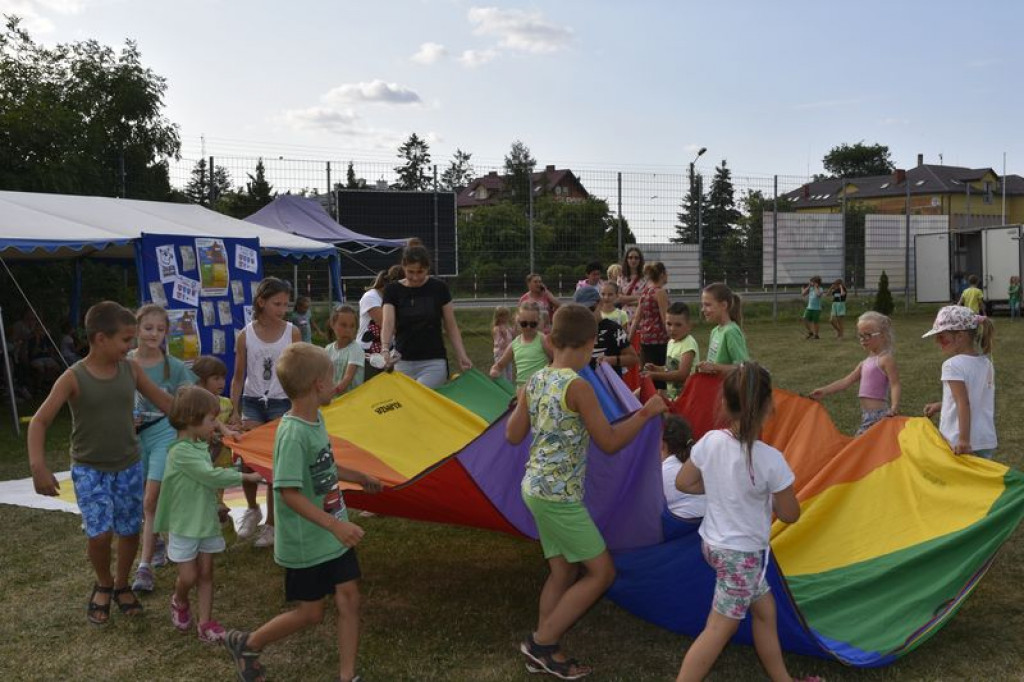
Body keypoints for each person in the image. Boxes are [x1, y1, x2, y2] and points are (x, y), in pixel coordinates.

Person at [507, 304, 667, 679]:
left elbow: (512, 435)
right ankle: (541, 643)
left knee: (562, 571)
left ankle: (544, 646)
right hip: (557, 497)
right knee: (602, 572)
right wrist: (645, 413)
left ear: (551, 339)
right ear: (591, 343)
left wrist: (523, 403)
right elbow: (609, 442)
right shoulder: (578, 386)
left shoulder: (537, 379)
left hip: (535, 488)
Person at [224, 343, 382, 682]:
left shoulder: (316, 419)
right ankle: (249, 643)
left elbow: (323, 465)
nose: (335, 380)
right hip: (308, 540)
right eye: (331, 375)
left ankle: (347, 676)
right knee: (311, 613)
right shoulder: (292, 434)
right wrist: (334, 526)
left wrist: (359, 476)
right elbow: (288, 493)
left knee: (350, 597)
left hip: (333, 531)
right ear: (318, 385)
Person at [28, 301, 172, 624]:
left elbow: (164, 401)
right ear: (100, 338)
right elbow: (39, 421)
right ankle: (104, 582)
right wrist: (38, 466)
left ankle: (122, 584)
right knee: (100, 535)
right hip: (89, 468)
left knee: (129, 529)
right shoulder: (73, 377)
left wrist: (200, 419)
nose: (132, 346)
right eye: (125, 340)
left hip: (129, 465)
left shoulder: (130, 369)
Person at [674, 362, 811, 682]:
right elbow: (791, 514)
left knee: (765, 610)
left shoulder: (709, 441)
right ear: (768, 406)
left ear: (725, 402)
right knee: (718, 629)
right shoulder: (771, 460)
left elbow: (684, 482)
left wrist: (724, 483)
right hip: (741, 556)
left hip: (714, 546)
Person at [155, 385, 262, 642]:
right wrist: (247, 475)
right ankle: (179, 600)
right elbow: (210, 476)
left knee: (206, 573)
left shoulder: (199, 444)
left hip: (205, 519)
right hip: (184, 523)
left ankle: (205, 622)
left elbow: (210, 464)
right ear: (192, 420)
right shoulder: (180, 452)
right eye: (211, 420)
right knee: (189, 576)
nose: (216, 424)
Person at [130, 304, 198, 593]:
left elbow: (191, 401)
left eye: (159, 329)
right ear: (136, 329)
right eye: (148, 328)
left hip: (163, 433)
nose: (153, 334)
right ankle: (157, 540)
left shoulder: (175, 366)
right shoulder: (125, 361)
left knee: (150, 499)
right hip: (132, 437)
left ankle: (143, 568)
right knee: (143, 500)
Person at [231, 277, 301, 548]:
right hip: (252, 400)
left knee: (274, 464)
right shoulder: (245, 334)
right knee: (247, 460)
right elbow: (238, 376)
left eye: (285, 304)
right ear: (261, 302)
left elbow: (298, 369)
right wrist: (235, 409)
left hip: (281, 402)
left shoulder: (291, 332)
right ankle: (252, 509)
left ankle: (272, 523)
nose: (283, 309)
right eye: (277, 304)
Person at [379, 245, 472, 388]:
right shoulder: (392, 290)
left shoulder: (439, 288)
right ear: (403, 267)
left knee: (421, 395)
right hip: (402, 361)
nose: (415, 277)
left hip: (433, 361)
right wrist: (385, 348)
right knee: (407, 405)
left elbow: (451, 325)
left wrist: (461, 355)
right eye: (410, 272)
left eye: (420, 272)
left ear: (428, 268)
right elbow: (388, 322)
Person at [922, 306, 997, 458]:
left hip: (960, 441)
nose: (937, 341)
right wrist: (941, 406)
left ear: (960, 336)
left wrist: (963, 440)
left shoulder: (952, 365)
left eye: (942, 336)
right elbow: (974, 399)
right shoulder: (986, 363)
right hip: (985, 440)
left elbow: (964, 403)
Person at [810, 312, 901, 435]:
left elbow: (895, 384)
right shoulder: (865, 363)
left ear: (883, 335)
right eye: (861, 336)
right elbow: (846, 381)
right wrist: (824, 390)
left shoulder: (885, 359)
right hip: (867, 415)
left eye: (867, 335)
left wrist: (894, 407)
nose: (863, 340)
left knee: (858, 448)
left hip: (878, 416)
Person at [191, 355, 236, 523]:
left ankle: (219, 510)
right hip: (203, 457)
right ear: (201, 380)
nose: (221, 382)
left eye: (223, 378)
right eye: (216, 378)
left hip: (223, 458)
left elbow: (232, 423)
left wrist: (234, 427)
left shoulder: (227, 403)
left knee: (219, 487)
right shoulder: (195, 404)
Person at [573, 286, 638, 376]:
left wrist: (610, 360)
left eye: (591, 309)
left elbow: (633, 358)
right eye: (582, 311)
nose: (587, 313)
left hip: (608, 384)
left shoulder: (613, 329)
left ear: (600, 303)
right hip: (584, 383)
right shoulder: (575, 331)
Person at [643, 302, 699, 401]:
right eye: (669, 324)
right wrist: (656, 368)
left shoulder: (688, 344)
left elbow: (682, 374)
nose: (672, 329)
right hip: (673, 397)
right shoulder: (671, 342)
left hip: (687, 397)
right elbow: (670, 368)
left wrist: (654, 375)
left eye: (678, 325)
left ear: (689, 326)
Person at [490, 302, 552, 388]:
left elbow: (556, 359)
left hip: (540, 389)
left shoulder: (542, 340)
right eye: (524, 324)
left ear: (538, 321)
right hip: (521, 391)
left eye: (533, 324)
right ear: (517, 321)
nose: (528, 327)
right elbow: (499, 365)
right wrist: (494, 370)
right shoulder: (514, 344)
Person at [357, 265, 403, 380]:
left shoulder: (393, 298)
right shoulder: (371, 297)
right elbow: (386, 324)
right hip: (368, 354)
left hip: (387, 354)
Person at [628, 262, 670, 389]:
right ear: (662, 274)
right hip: (659, 340)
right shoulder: (660, 292)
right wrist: (673, 336)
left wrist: (629, 339)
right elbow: (665, 318)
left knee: (648, 375)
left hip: (645, 339)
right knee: (660, 377)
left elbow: (637, 317)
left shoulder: (646, 292)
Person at [697, 282, 749, 375]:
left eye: (707, 305)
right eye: (702, 305)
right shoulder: (714, 331)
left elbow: (743, 368)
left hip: (728, 388)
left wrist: (714, 367)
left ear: (724, 305)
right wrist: (707, 367)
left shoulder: (731, 331)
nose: (703, 309)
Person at [660, 415, 705, 519]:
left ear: (662, 445)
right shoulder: (696, 464)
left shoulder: (663, 472)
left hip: (682, 529)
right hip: (703, 525)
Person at [326, 305, 365, 396]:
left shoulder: (356, 349)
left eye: (352, 326)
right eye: (343, 325)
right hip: (333, 401)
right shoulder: (328, 349)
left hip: (351, 401)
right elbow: (325, 376)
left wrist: (329, 393)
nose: (348, 330)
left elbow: (348, 378)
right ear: (333, 325)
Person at [616, 246, 647, 318]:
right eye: (630, 257)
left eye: (636, 258)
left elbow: (645, 300)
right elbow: (619, 298)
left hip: (640, 316)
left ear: (640, 260)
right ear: (626, 260)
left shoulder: (646, 278)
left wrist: (626, 300)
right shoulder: (621, 277)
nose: (633, 260)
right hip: (624, 316)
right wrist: (637, 298)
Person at [491, 306, 516, 383]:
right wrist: (504, 336)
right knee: (502, 374)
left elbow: (513, 335)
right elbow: (498, 344)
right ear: (499, 317)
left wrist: (515, 325)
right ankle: (503, 389)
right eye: (504, 316)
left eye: (507, 316)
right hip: (500, 354)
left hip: (508, 354)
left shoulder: (507, 327)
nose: (506, 318)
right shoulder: (497, 329)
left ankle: (509, 388)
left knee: (509, 374)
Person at [801, 276, 823, 340]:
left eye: (812, 282)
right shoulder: (810, 288)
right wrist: (808, 286)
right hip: (809, 307)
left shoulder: (820, 289)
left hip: (817, 308)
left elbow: (818, 295)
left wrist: (815, 287)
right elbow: (803, 294)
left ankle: (816, 335)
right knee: (804, 319)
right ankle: (811, 332)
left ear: (816, 282)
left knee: (815, 322)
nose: (811, 283)